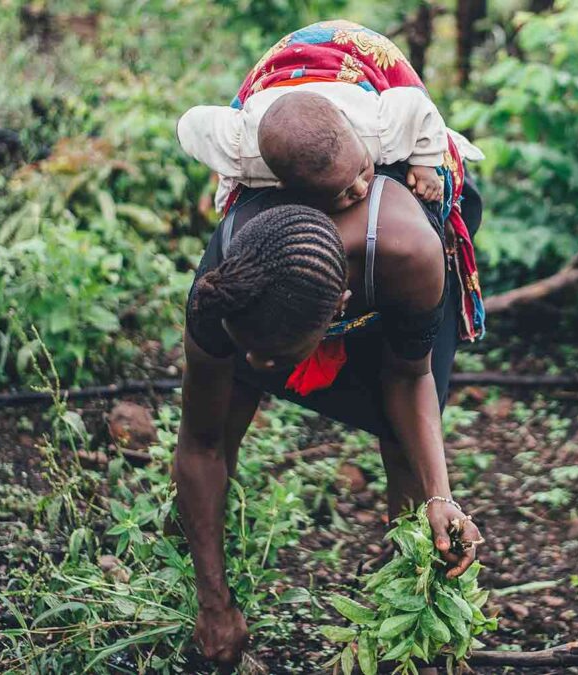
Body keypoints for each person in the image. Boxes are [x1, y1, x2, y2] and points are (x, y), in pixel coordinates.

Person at [173, 21, 486, 671]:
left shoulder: (406, 251)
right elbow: (198, 442)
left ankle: (402, 612)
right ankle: (208, 583)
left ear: (340, 314)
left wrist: (440, 494)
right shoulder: (222, 287)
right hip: (286, 112)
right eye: (256, 357)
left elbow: (407, 377)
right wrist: (211, 600)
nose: (262, 369)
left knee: (404, 435)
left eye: (274, 360)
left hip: (381, 127)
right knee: (220, 413)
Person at [176, 75, 485, 213]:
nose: (362, 188)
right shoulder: (242, 153)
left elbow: (418, 105)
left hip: (336, 57)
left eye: (363, 169)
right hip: (268, 102)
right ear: (285, 184)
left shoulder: (375, 127)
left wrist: (425, 161)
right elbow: (191, 123)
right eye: (344, 192)